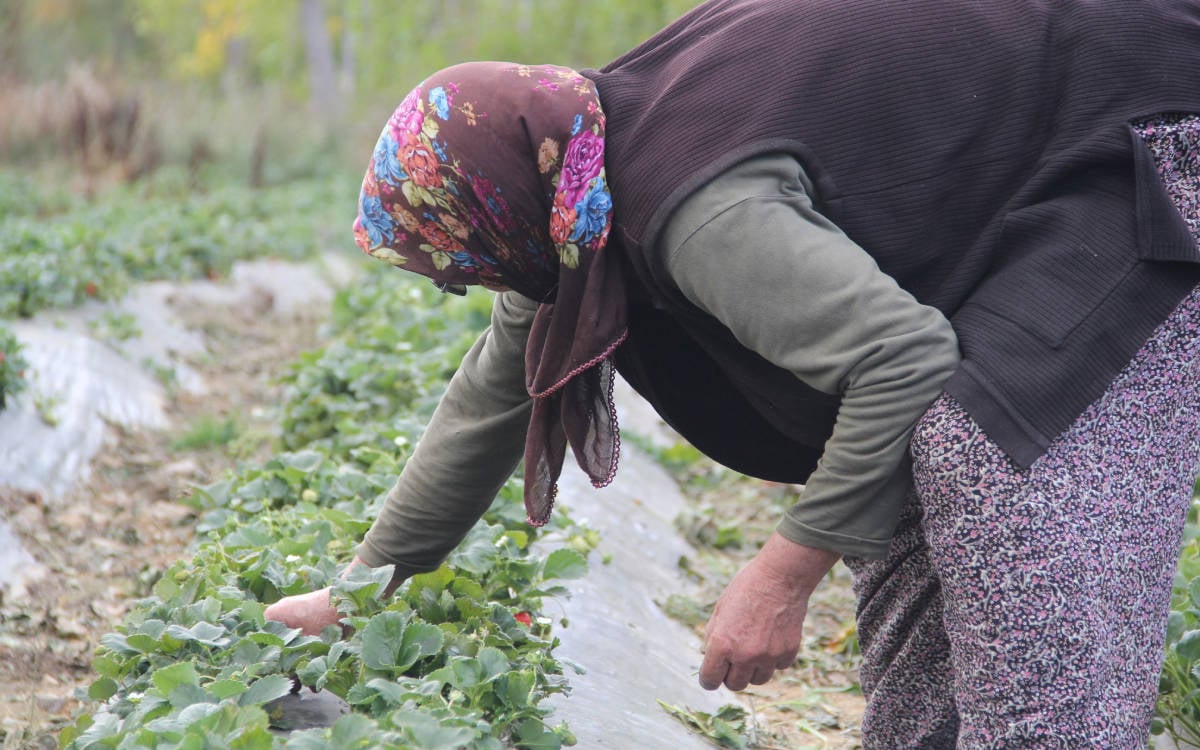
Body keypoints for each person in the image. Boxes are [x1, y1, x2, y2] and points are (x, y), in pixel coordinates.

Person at [265, 0, 1200, 745]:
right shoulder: (572, 191)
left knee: (990, 455)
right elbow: (486, 401)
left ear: (499, 202)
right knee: (919, 486)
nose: (461, 282)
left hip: (1141, 124)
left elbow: (901, 360)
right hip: (1050, 135)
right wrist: (355, 595)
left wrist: (783, 573)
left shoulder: (694, 210)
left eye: (458, 254)